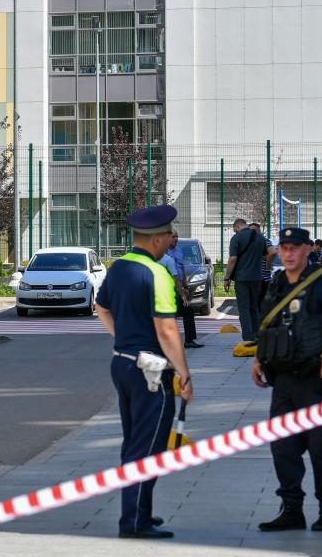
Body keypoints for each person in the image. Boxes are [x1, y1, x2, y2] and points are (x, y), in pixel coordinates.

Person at [251, 227, 322, 533]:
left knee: (321, 447)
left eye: (294, 248)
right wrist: (259, 358)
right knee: (283, 448)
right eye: (283, 248)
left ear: (308, 249)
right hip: (284, 379)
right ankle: (291, 510)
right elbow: (268, 324)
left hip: (317, 378)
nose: (287, 253)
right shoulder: (275, 283)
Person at [95, 205, 194, 540]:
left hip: (122, 362)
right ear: (155, 239)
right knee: (147, 448)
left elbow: (101, 307)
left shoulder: (119, 267)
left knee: (135, 443)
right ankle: (134, 522)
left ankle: (142, 514)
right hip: (151, 370)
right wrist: (184, 372)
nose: (171, 240)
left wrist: (123, 337)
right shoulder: (157, 274)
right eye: (168, 235)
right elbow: (166, 330)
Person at [224, 218, 270, 343]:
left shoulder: (237, 238)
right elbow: (266, 255)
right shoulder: (260, 238)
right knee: (254, 307)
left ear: (237, 227)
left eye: (235, 230)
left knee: (244, 308)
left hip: (242, 278)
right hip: (257, 278)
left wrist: (227, 278)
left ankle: (248, 337)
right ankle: (257, 334)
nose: (235, 232)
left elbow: (233, 259)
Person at [164, 232, 203, 348]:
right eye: (173, 236)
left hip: (179, 288)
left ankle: (189, 340)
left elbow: (182, 269)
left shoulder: (178, 251)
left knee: (188, 311)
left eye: (176, 236)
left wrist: (185, 287)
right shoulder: (162, 253)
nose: (176, 239)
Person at [249, 223, 275, 303]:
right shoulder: (260, 241)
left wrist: (267, 268)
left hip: (259, 279)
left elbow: (272, 252)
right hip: (261, 278)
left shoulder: (263, 241)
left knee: (257, 305)